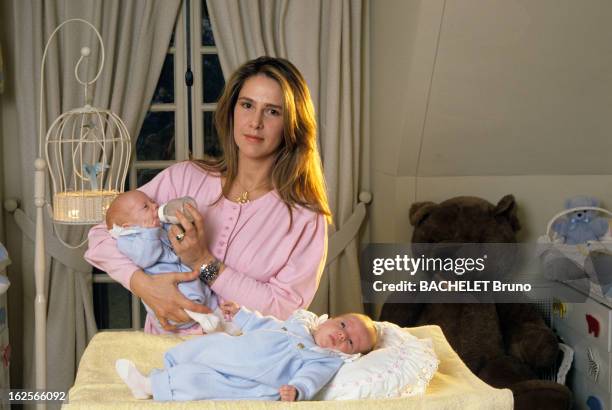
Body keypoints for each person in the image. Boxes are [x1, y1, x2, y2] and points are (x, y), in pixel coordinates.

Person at [85, 56, 332, 333]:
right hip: (163, 356)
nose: (255, 122)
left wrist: (203, 263)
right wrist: (145, 286)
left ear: (292, 124)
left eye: (273, 111)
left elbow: (283, 309)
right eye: (247, 105)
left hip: (241, 364)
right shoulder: (185, 178)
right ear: (232, 110)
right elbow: (101, 236)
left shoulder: (304, 217)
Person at [115, 304, 377, 401]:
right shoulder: (298, 326)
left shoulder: (323, 358)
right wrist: (242, 314)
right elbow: (266, 324)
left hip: (250, 381)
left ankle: (149, 385)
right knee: (207, 345)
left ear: (349, 355)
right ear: (329, 320)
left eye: (351, 342)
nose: (343, 335)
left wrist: (297, 390)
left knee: (201, 381)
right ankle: (172, 366)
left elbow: (312, 378)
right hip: (234, 351)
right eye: (343, 325)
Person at [104, 190, 231, 334]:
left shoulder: (159, 226)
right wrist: (151, 231)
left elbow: (179, 240)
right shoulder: (128, 239)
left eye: (152, 202)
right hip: (170, 287)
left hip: (193, 274)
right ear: (127, 226)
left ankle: (221, 318)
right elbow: (146, 257)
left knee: (208, 297)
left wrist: (182, 233)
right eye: (146, 206)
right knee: (185, 307)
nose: (155, 205)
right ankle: (202, 322)